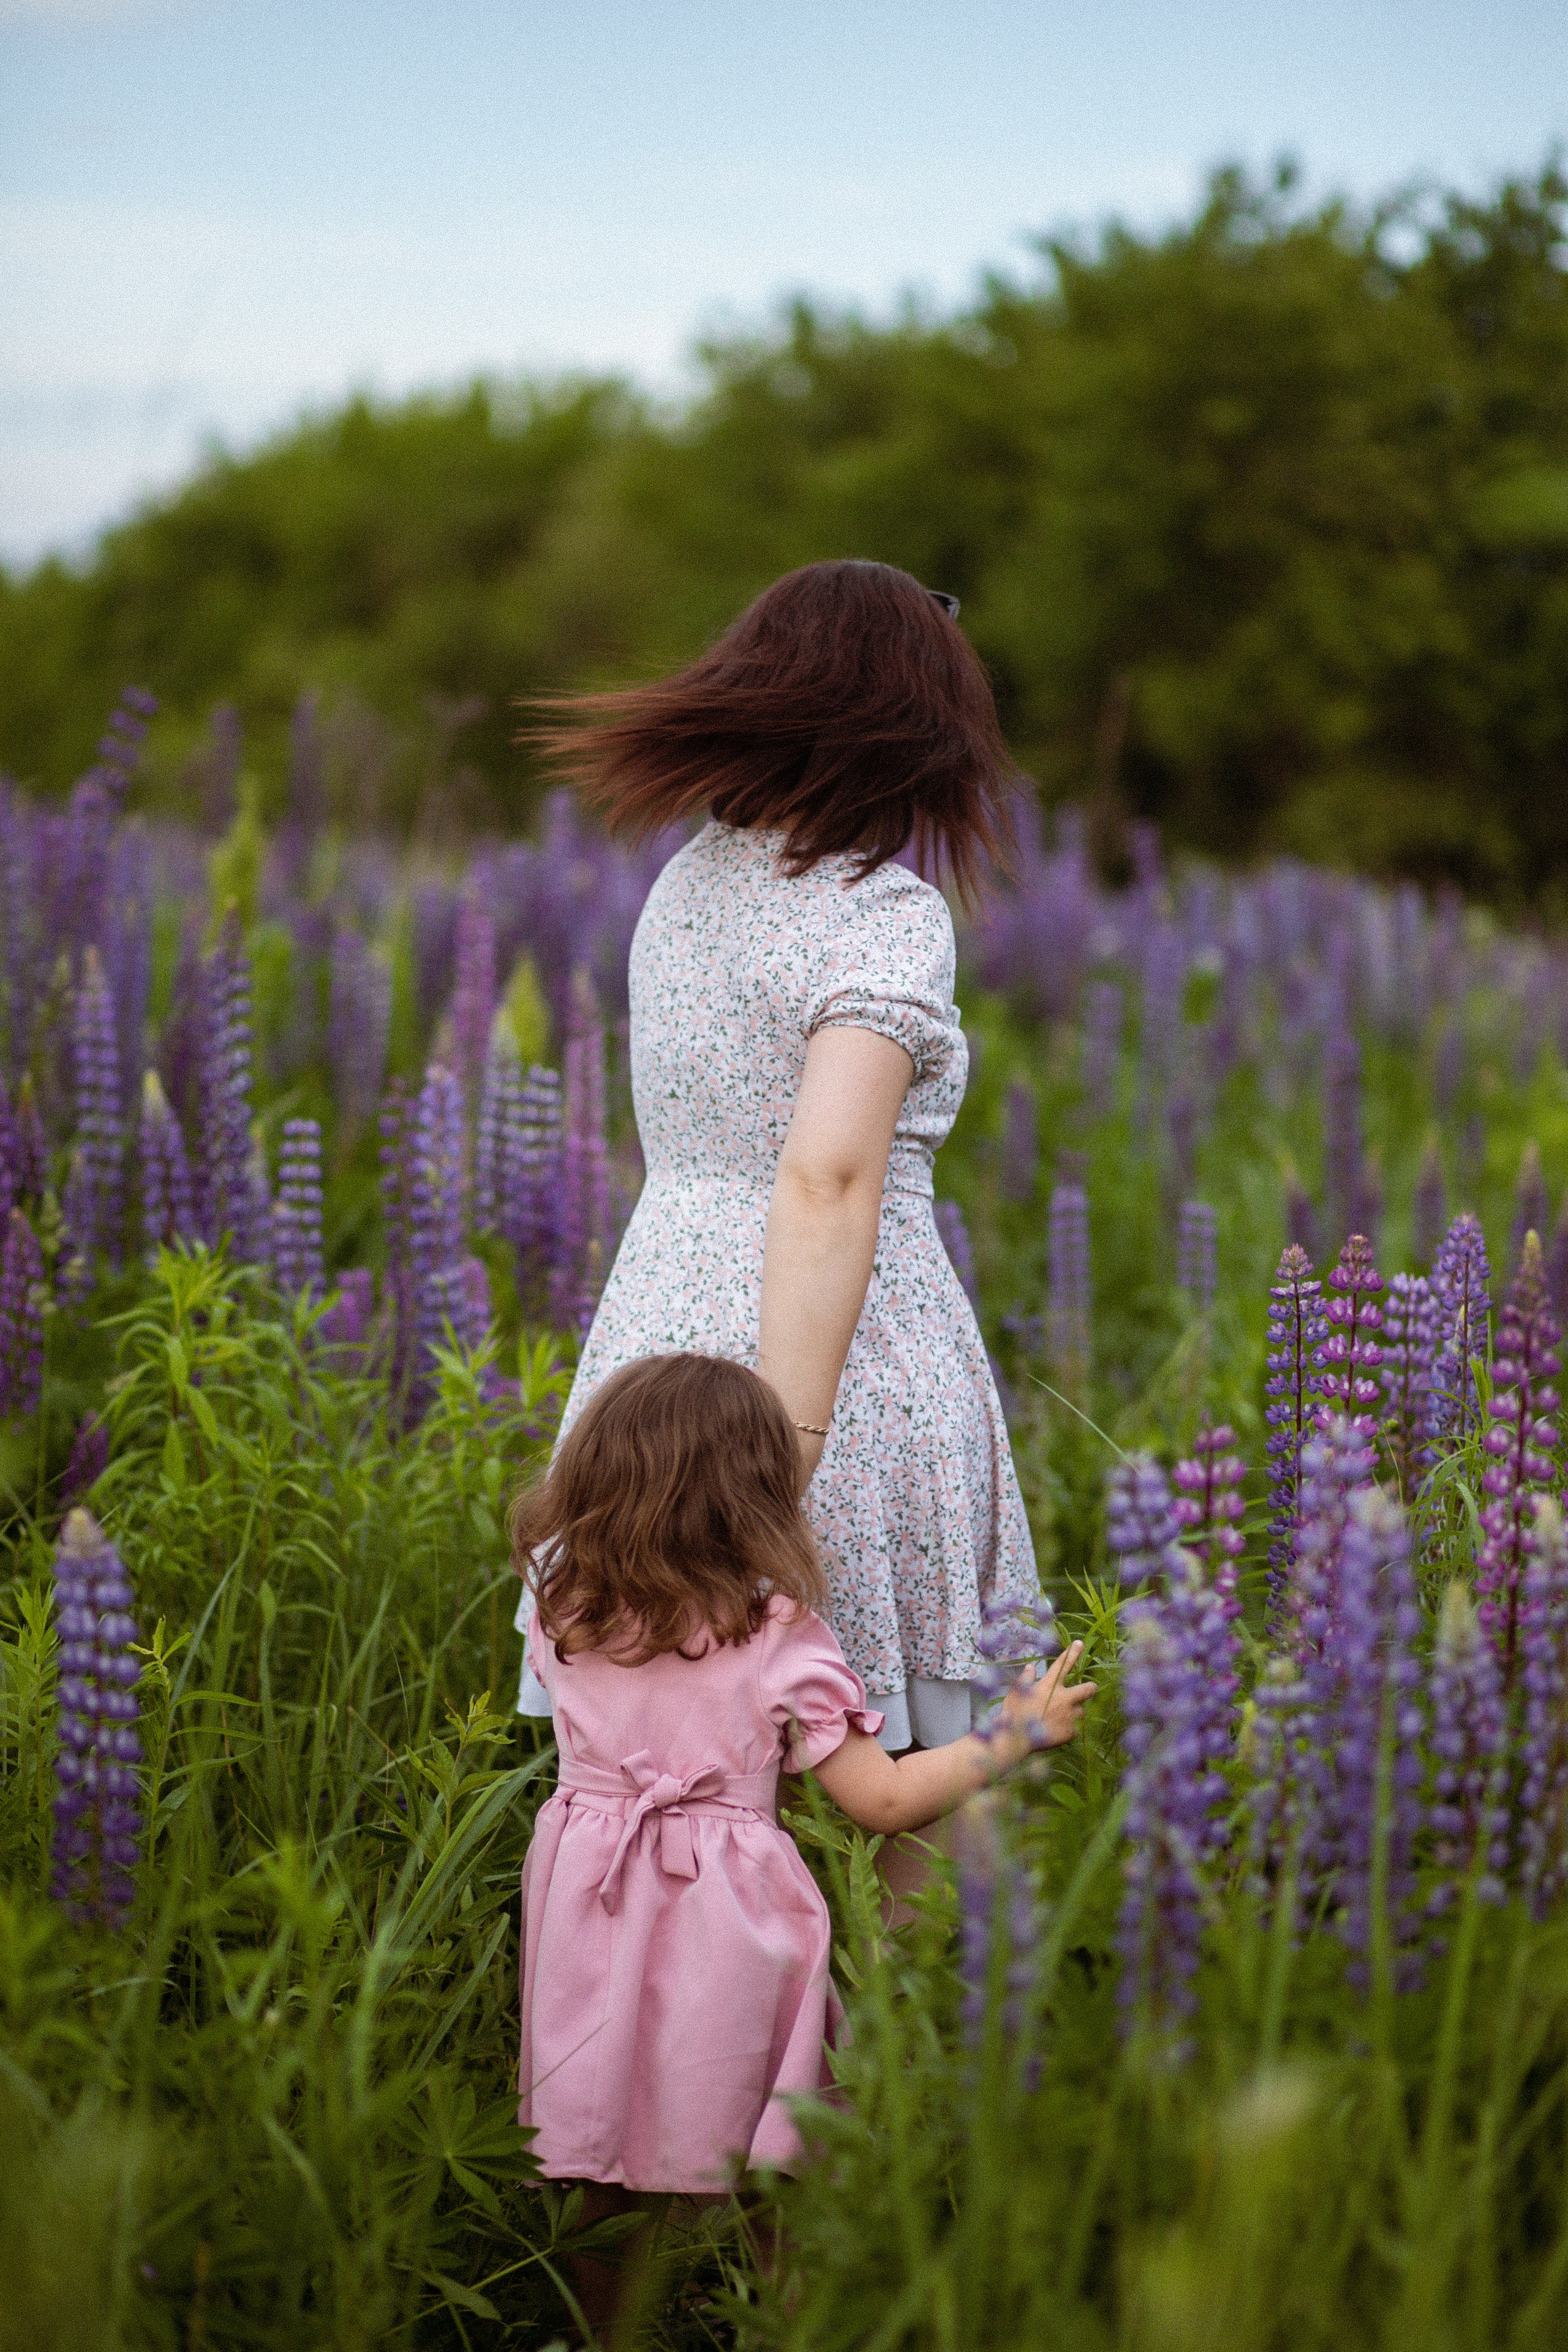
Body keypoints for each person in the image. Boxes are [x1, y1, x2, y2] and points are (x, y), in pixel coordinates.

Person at [516, 558, 1033, 1757]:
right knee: (900, 1751)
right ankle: (898, 1950)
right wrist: (787, 1446)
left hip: (654, 1334)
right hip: (829, 1357)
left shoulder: (687, 883)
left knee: (673, 1732)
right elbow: (828, 1177)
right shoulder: (880, 912)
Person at [511, 1352, 1093, 2329]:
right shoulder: (777, 1636)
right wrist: (1014, 1734)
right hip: (726, 1920)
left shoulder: (566, 1610)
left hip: (589, 1901)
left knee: (596, 2151)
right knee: (776, 2154)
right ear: (756, 1499)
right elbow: (885, 1801)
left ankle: (606, 2335)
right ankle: (786, 2323)